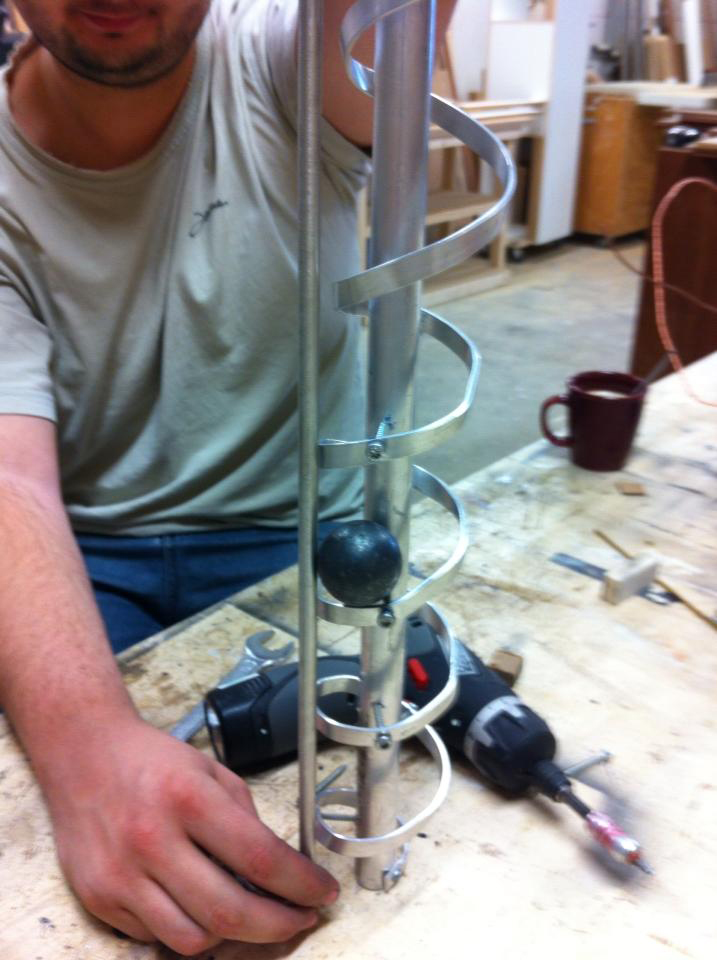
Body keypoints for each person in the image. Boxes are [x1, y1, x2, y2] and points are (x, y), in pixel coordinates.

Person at [0, 0, 454, 953]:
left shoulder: (286, 61)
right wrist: (86, 747)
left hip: (307, 539)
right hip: (91, 560)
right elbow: (10, 477)